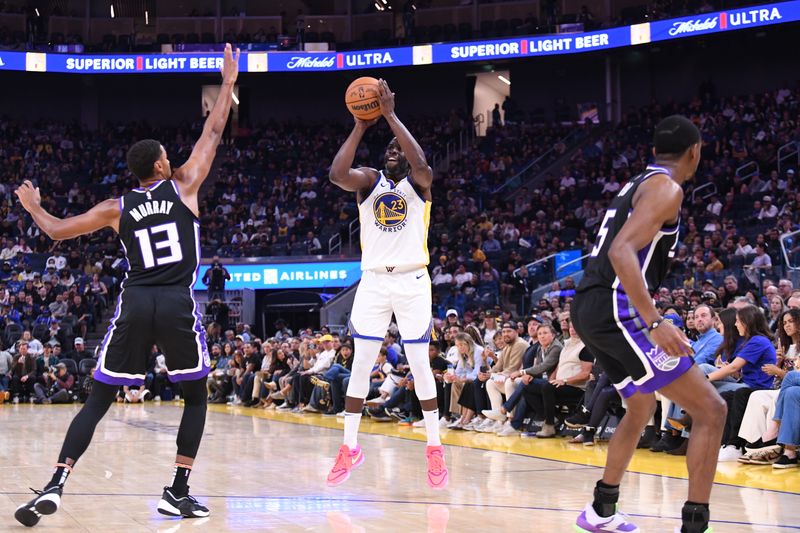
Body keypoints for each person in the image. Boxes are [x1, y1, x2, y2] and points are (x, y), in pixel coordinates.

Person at [12, 44, 240, 527]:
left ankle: (56, 481)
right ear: (159, 167)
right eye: (166, 155)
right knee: (196, 396)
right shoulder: (186, 185)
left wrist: (32, 205)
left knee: (98, 398)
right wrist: (228, 82)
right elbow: (214, 129)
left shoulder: (116, 208)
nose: (172, 157)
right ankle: (177, 491)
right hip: (176, 300)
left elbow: (55, 230)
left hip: (134, 301)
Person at [571, 116, 726, 533]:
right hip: (618, 309)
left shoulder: (640, 182)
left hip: (589, 305)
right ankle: (695, 526)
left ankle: (601, 510)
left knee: (639, 406)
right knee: (712, 409)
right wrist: (654, 320)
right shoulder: (667, 188)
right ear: (694, 151)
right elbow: (622, 250)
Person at [327, 78, 447, 490]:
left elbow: (423, 165)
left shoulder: (419, 184)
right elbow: (337, 173)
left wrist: (391, 116)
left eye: (400, 149)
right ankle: (349, 447)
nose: (395, 152)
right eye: (390, 148)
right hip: (374, 282)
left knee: (419, 363)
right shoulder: (370, 182)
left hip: (413, 279)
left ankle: (434, 447)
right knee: (360, 363)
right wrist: (361, 124)